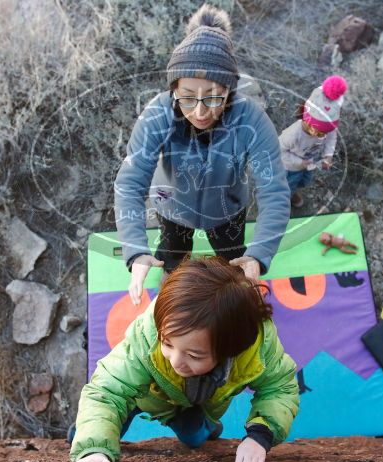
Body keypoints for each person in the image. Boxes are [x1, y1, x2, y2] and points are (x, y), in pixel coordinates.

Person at [64, 257, 299, 462]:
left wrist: (260, 436)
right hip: (144, 395)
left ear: (231, 350)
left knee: (194, 438)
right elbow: (108, 389)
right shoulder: (147, 335)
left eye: (194, 356)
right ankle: (87, 431)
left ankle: (207, 426)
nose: (176, 361)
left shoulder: (256, 347)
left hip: (197, 403)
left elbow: (279, 387)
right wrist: (94, 448)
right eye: (167, 344)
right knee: (102, 423)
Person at [114, 4, 290, 306]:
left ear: (230, 90)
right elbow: (130, 183)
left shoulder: (251, 120)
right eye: (187, 97)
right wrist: (136, 250)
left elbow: (274, 190)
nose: (199, 111)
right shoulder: (157, 114)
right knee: (172, 257)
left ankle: (233, 296)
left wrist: (258, 255)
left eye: (213, 97)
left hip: (227, 210)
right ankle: (172, 293)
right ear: (174, 90)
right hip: (171, 207)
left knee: (232, 261)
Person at [278, 75, 348, 208]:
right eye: (319, 132)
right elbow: (278, 150)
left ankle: (293, 193)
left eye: (324, 133)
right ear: (308, 121)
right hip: (290, 167)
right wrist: (299, 162)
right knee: (288, 185)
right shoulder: (294, 133)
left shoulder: (326, 129)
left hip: (309, 163)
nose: (322, 136)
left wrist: (328, 155)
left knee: (304, 181)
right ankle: (283, 200)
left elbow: (331, 137)